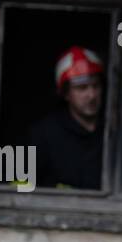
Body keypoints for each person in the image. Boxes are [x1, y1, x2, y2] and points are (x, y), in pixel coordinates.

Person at [28, 45, 104, 190]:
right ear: (66, 93)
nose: (92, 95)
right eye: (82, 88)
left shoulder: (114, 132)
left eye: (96, 86)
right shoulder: (44, 135)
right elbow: (21, 188)